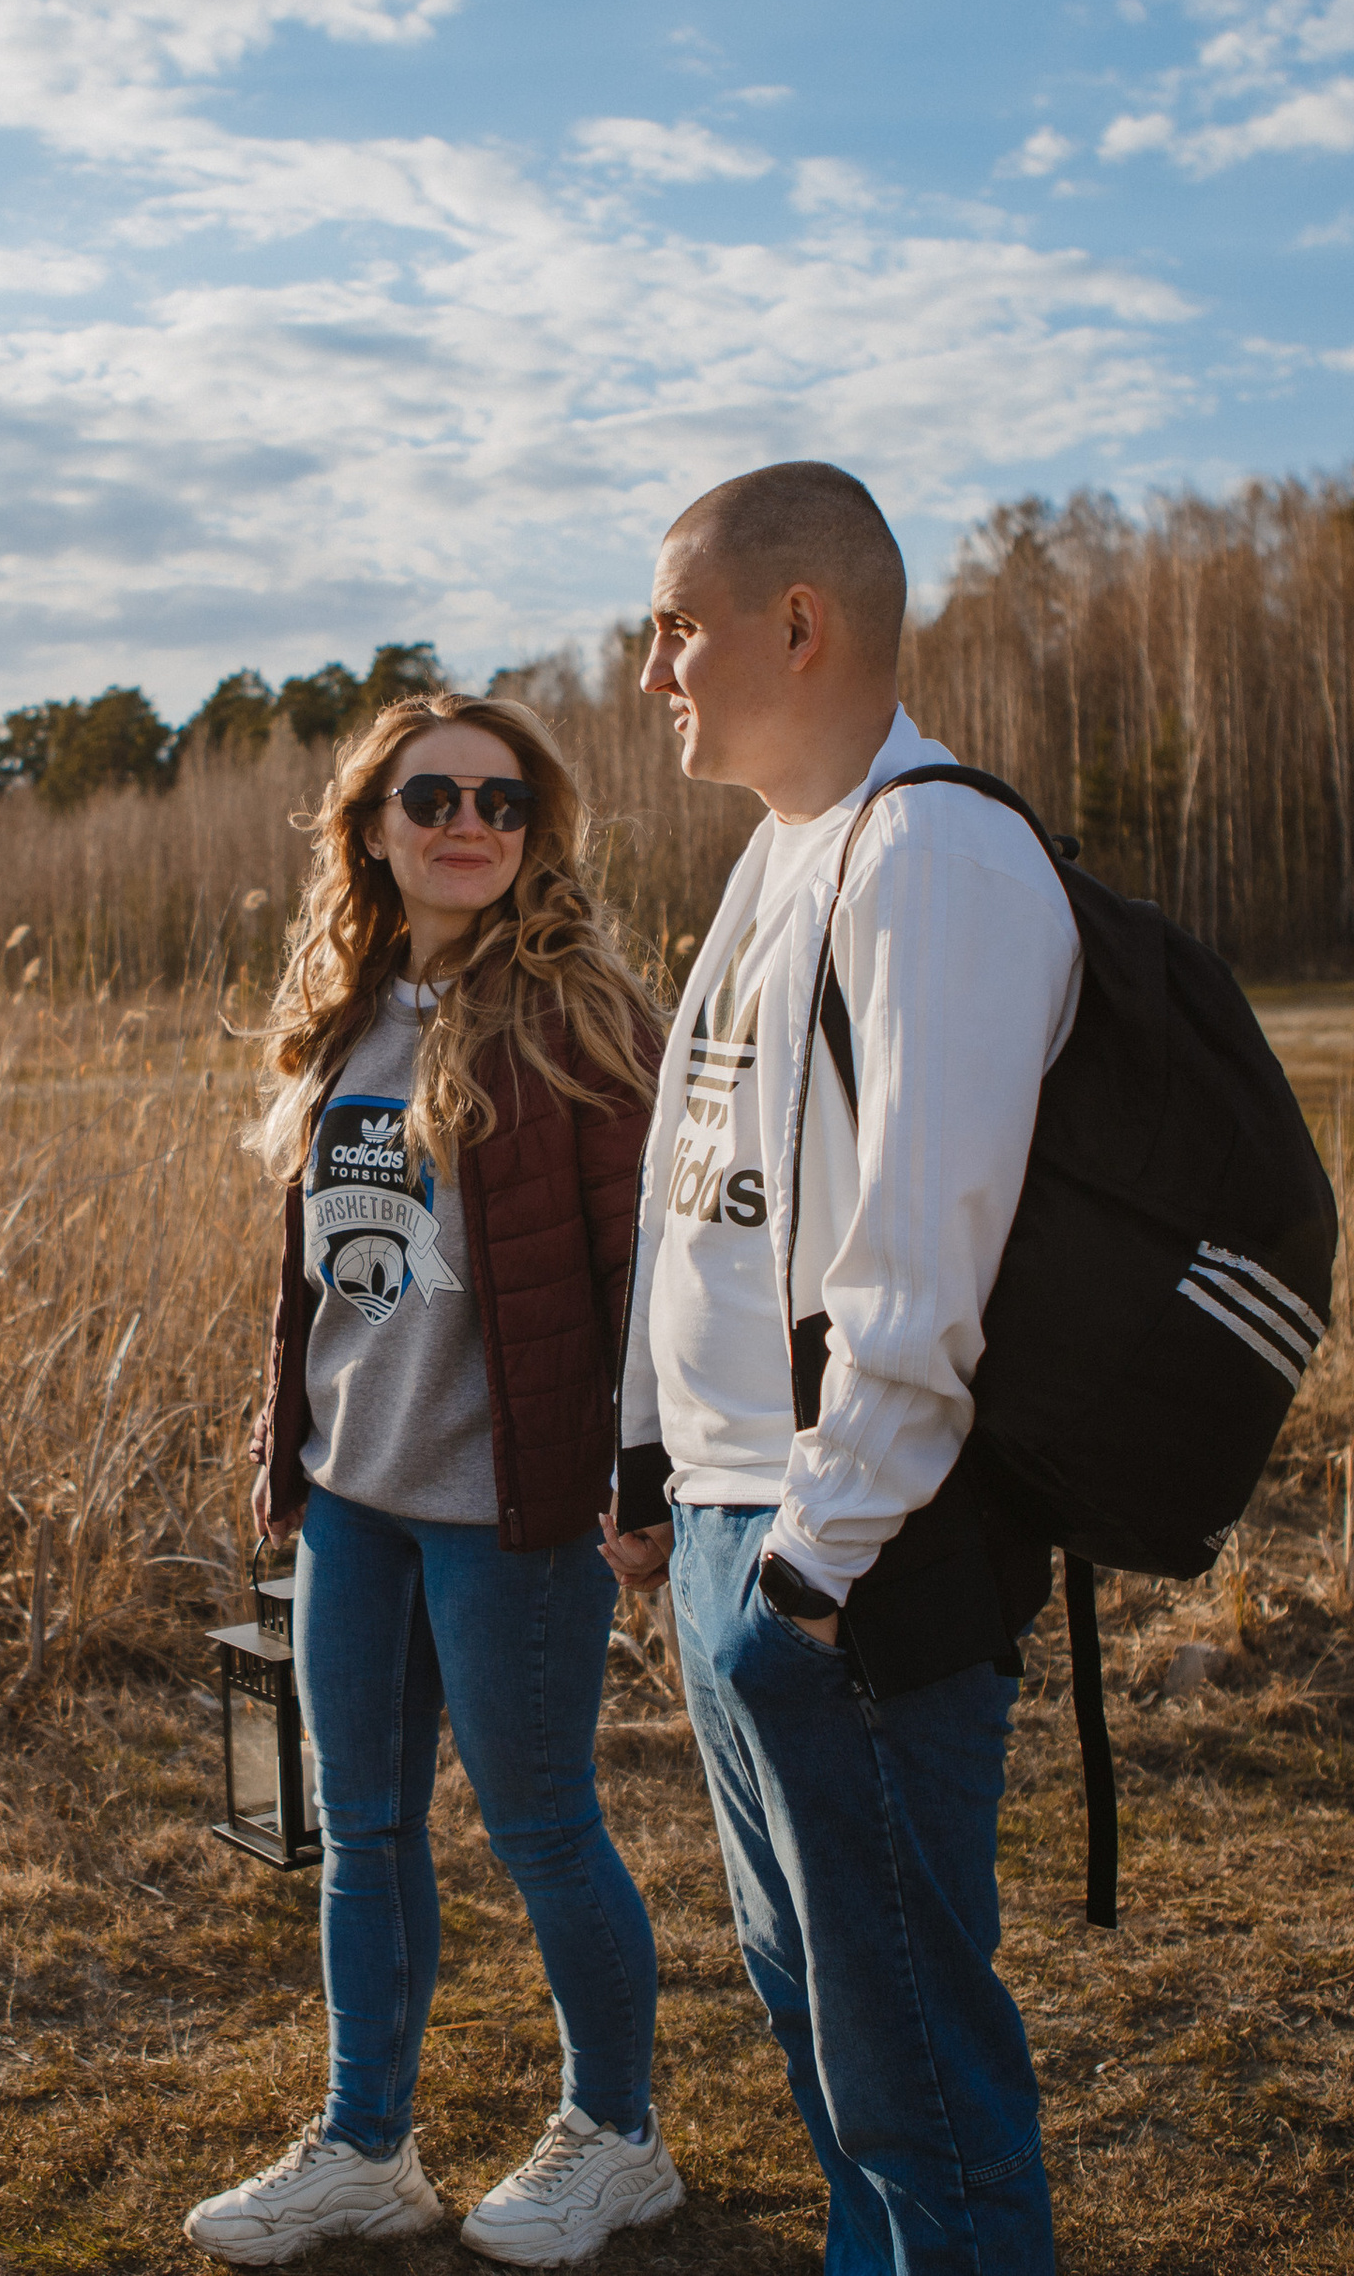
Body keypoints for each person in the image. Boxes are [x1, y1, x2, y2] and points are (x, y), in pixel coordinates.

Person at [599, 462, 1078, 2275]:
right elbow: (696, 1190)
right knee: (824, 2047)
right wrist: (653, 1471)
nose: (654, 669)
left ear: (796, 625)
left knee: (919, 2091)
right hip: (741, 1534)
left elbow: (920, 1268)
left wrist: (802, 1575)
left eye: (676, 626)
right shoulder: (781, 851)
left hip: (853, 1563)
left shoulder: (933, 854)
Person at [187, 691, 684, 2270]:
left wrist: (642, 1477)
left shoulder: (584, 1015)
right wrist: (288, 1447)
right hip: (356, 1504)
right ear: (374, 831)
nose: (469, 823)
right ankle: (363, 2149)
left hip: (511, 1511)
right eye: (433, 799)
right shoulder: (344, 1011)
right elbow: (326, 1275)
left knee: (542, 1827)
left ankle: (619, 2140)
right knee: (366, 1831)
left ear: (536, 832)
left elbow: (647, 1273)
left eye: (503, 800)